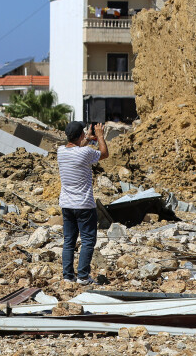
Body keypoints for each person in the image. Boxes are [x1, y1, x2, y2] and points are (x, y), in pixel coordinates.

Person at [57, 121, 108, 286]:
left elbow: (77, 147)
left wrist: (88, 138)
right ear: (80, 135)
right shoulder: (85, 152)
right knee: (87, 240)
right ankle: (83, 276)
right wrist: (99, 136)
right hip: (84, 205)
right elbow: (104, 153)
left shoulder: (61, 151)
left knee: (69, 241)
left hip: (66, 204)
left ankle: (67, 276)